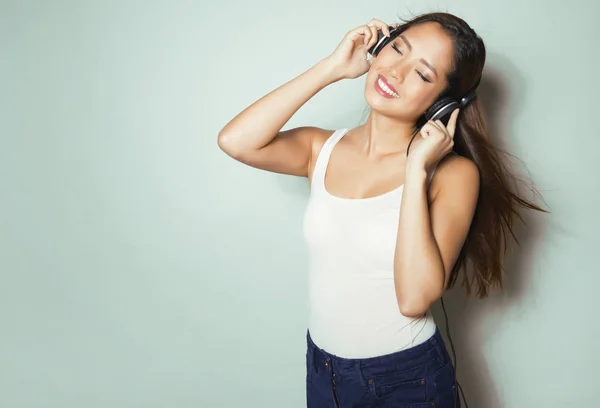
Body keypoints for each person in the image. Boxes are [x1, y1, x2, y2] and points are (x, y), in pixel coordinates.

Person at [217, 11, 547, 408]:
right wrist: (331, 69)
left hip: (406, 380)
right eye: (396, 49)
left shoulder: (453, 174)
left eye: (423, 74)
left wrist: (416, 168)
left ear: (442, 102)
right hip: (324, 371)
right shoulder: (320, 149)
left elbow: (413, 299)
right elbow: (236, 141)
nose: (396, 72)